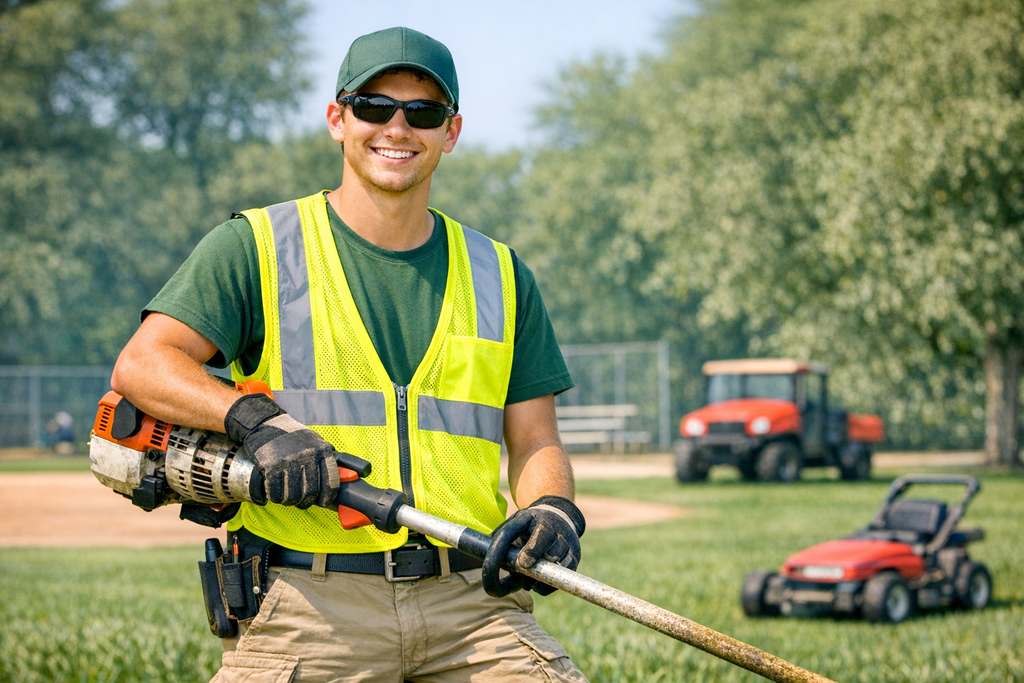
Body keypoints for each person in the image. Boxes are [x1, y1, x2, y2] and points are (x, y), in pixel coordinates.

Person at [111, 26, 588, 683]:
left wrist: (552, 508)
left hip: (473, 607)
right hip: (310, 601)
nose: (397, 127)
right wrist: (256, 422)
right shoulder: (257, 245)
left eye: (422, 113)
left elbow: (536, 440)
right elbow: (144, 363)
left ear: (450, 133)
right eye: (373, 107)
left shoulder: (500, 273)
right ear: (338, 119)